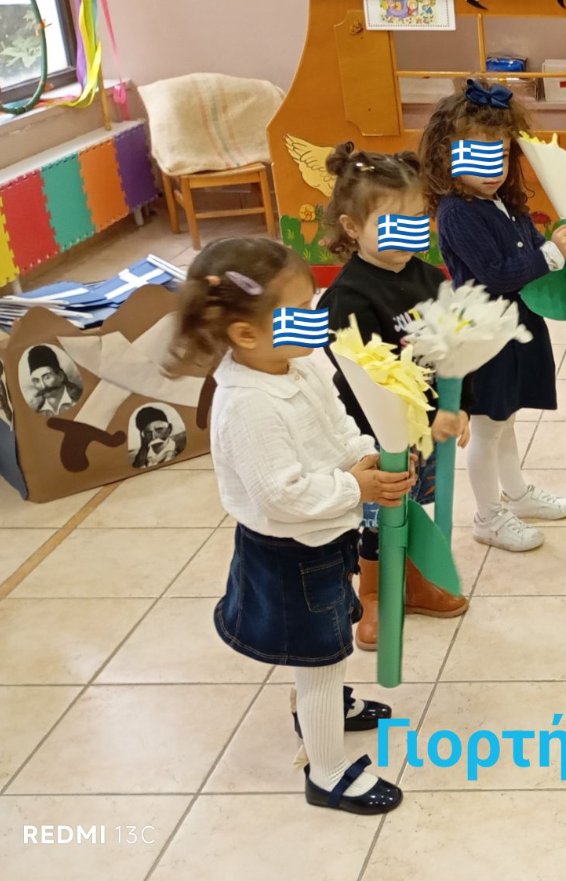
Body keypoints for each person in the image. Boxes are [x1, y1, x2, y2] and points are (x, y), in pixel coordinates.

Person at [166, 237, 413, 815]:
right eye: (299, 312)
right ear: (245, 334)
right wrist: (356, 488)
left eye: (313, 302)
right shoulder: (249, 405)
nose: (316, 318)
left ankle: (327, 707)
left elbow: (336, 422)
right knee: (320, 660)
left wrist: (364, 452)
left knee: (329, 636)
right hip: (291, 552)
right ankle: (327, 773)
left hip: (324, 537)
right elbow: (282, 496)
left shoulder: (297, 362)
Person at [317, 142, 470, 650]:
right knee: (382, 515)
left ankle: (414, 583)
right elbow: (367, 380)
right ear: (352, 226)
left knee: (413, 505)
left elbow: (452, 350)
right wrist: (402, 429)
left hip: (427, 426)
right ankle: (374, 595)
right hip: (376, 433)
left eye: (416, 219)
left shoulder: (429, 278)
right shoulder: (347, 298)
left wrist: (456, 406)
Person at [419, 78, 566, 553]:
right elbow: (495, 274)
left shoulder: (502, 201)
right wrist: (550, 256)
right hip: (484, 335)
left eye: (502, 156)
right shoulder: (457, 212)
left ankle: (517, 494)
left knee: (505, 420)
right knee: (487, 429)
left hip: (514, 327)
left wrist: (557, 246)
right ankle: (488, 517)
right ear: (448, 156)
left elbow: (529, 245)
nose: (493, 169)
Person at [25, 345, 82, 416]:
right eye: (37, 381)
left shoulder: (80, 400)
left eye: (47, 377)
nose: (43, 386)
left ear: (60, 376)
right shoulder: (38, 412)